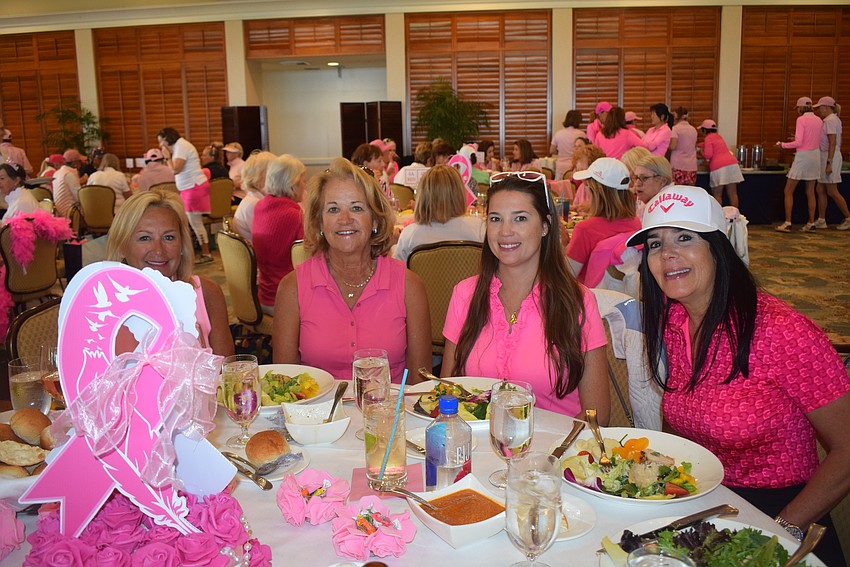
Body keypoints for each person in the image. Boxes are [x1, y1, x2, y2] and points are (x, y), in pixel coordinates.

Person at [629, 185, 850, 566]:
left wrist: (779, 531)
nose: (668, 254)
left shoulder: (783, 331)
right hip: (707, 509)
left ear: (719, 245)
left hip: (783, 513)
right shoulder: (675, 320)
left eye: (685, 237)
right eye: (654, 243)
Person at [441, 171, 609, 420]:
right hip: (480, 449)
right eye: (496, 219)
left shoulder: (578, 302)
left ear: (545, 226)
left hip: (553, 451)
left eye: (520, 218)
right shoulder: (465, 294)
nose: (505, 232)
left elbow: (597, 414)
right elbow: (448, 394)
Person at [272, 157, 432, 383]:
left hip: (387, 415)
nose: (345, 219)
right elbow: (283, 385)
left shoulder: (409, 286)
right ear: (319, 222)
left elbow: (420, 384)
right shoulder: (292, 288)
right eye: (333, 209)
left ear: (375, 218)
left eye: (357, 208)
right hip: (317, 415)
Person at [105, 189, 234, 357]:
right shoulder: (104, 306)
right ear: (122, 246)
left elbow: (228, 374)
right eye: (145, 238)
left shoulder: (207, 293)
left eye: (169, 238)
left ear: (182, 246)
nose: (159, 250)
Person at [566, 157, 641, 283]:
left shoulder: (585, 229)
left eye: (587, 186)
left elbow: (565, 277)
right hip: (623, 294)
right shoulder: (636, 222)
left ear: (596, 192)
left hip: (588, 296)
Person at [393, 165, 485, 263]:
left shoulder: (409, 235)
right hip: (471, 278)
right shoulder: (479, 229)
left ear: (422, 196)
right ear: (460, 194)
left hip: (423, 278)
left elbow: (397, 274)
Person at [252, 154, 306, 316]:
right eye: (303, 180)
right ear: (292, 184)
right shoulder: (293, 214)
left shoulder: (260, 206)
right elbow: (309, 258)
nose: (305, 186)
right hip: (284, 300)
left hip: (264, 294)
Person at [157, 127, 213, 264]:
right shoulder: (180, 146)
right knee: (190, 222)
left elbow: (176, 169)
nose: (160, 146)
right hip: (190, 188)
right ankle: (197, 252)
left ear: (166, 139)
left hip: (193, 187)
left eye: (160, 142)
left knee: (195, 222)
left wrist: (167, 157)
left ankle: (206, 253)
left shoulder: (181, 146)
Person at [775, 97, 822, 232]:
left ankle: (788, 222)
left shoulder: (801, 120)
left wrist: (782, 145)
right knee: (810, 191)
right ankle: (811, 222)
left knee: (788, 190)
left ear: (801, 108)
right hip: (815, 155)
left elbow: (799, 143)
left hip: (803, 156)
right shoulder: (818, 120)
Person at [813, 96, 850, 231]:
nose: (819, 111)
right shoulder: (830, 120)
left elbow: (832, 142)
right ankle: (821, 219)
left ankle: (848, 218)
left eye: (821, 108)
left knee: (832, 191)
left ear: (827, 108)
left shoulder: (830, 121)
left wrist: (829, 162)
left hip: (830, 157)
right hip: (824, 156)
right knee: (820, 189)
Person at [698, 119, 743, 209]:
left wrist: (701, 152)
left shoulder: (708, 138)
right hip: (732, 164)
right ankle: (736, 217)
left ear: (705, 130)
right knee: (733, 193)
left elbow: (708, 155)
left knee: (717, 194)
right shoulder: (719, 137)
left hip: (719, 167)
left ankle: (719, 217)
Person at [232, 151, 276, 243]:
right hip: (257, 254)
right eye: (274, 173)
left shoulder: (254, 198)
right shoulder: (254, 203)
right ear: (259, 177)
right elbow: (269, 239)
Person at [568, 143, 606, 214]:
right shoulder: (582, 187)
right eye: (578, 170)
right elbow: (576, 208)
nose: (581, 177)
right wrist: (575, 208)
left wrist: (592, 207)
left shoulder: (605, 189)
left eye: (583, 170)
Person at [632, 154, 673, 219]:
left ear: (662, 181)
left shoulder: (668, 211)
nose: (637, 183)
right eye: (636, 177)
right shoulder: (646, 202)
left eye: (644, 178)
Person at [550, 110, 585, 180]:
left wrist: (561, 151)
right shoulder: (581, 134)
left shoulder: (559, 133)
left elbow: (552, 150)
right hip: (574, 166)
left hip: (560, 166)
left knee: (558, 188)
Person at [669, 107, 699, 185]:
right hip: (691, 165)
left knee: (678, 191)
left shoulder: (675, 129)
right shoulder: (693, 129)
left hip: (678, 164)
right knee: (690, 191)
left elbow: (673, 146)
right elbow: (695, 145)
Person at [52, 149, 84, 217]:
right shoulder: (69, 175)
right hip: (71, 213)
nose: (82, 163)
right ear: (75, 163)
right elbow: (79, 197)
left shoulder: (57, 173)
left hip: (59, 212)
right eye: (80, 161)